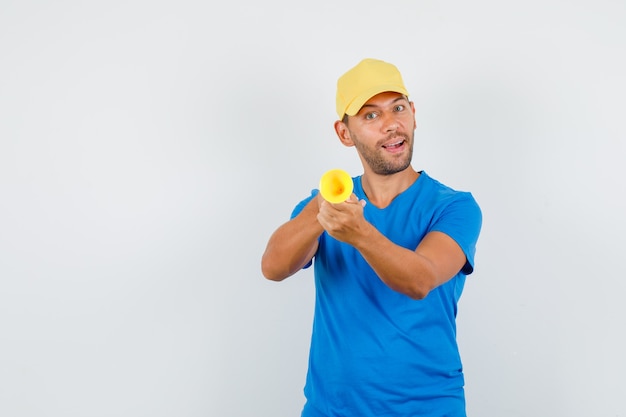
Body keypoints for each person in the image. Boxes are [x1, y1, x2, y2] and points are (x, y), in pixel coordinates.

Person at [261, 58, 482, 417]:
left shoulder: (454, 207)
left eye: (398, 108)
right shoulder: (326, 206)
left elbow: (420, 280)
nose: (392, 125)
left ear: (413, 113)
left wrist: (360, 233)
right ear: (344, 133)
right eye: (370, 116)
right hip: (331, 409)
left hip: (428, 409)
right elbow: (273, 267)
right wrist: (323, 207)